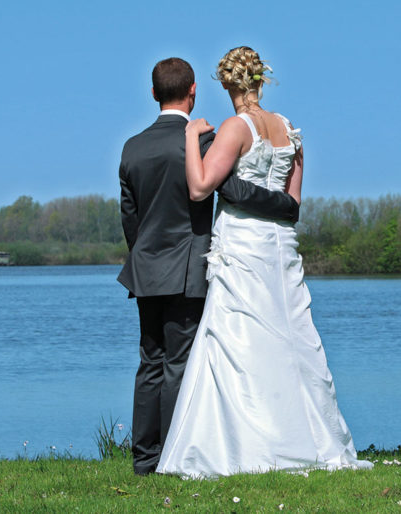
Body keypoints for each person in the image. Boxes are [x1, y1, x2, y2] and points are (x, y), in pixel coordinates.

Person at [156, 46, 372, 477]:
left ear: (226, 84)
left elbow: (200, 187)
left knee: (240, 340)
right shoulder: (290, 131)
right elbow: (292, 203)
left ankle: (247, 445)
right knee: (290, 340)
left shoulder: (236, 128)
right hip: (280, 248)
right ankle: (305, 438)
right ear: (260, 80)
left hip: (243, 245)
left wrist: (191, 137)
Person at [117, 57, 300, 476]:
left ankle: (143, 459)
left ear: (152, 93)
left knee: (149, 363)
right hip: (188, 269)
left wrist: (143, 255)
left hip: (146, 268)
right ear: (194, 90)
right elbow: (232, 190)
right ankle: (172, 455)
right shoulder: (199, 139)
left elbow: (130, 216)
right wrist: (285, 206)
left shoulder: (131, 147)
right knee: (179, 363)